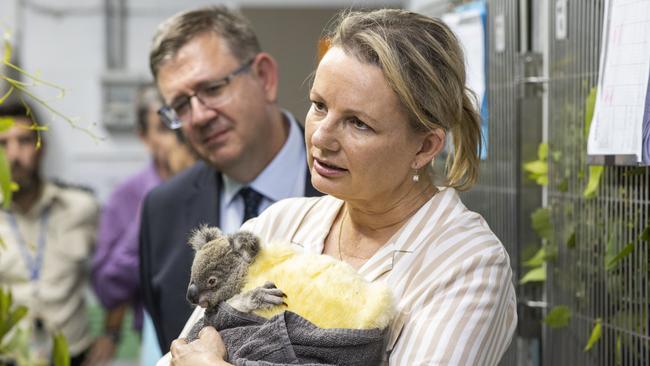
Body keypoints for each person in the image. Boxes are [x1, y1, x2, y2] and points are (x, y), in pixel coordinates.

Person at [167, 8, 517, 366]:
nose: (321, 136)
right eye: (319, 106)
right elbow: (180, 353)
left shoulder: (468, 263)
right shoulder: (279, 224)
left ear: (425, 146)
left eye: (358, 123)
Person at [139, 5, 320, 354]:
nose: (200, 116)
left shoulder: (350, 185)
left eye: (213, 88)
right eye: (180, 105)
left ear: (264, 77)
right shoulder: (162, 212)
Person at [87, 85, 196, 365]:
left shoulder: (216, 183)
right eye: (162, 128)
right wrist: (154, 211)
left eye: (178, 124)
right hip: (156, 337)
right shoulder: (128, 196)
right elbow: (108, 287)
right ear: (144, 137)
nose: (175, 138)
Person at [0, 100, 100, 366]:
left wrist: (111, 334)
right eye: (3, 143)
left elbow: (122, 270)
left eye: (23, 141)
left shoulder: (81, 208)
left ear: (40, 147)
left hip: (74, 355)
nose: (13, 155)